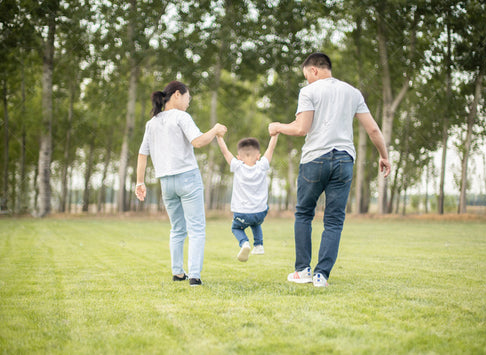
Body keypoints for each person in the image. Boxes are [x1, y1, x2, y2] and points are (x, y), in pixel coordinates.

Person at [268, 52, 391, 287]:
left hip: (315, 158)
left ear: (314, 70)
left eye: (306, 76)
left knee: (304, 213)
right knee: (334, 220)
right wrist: (384, 156)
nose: (306, 81)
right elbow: (373, 130)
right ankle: (321, 275)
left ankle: (302, 271)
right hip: (344, 160)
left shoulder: (309, 92)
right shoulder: (353, 93)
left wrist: (278, 127)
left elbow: (302, 128)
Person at [135, 80, 227, 287]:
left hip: (166, 182)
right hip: (188, 178)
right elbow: (198, 142)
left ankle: (178, 273)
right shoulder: (181, 117)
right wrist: (215, 130)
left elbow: (142, 154)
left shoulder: (152, 123)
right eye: (188, 98)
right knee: (196, 228)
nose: (188, 102)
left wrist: (139, 182)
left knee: (177, 229)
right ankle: (194, 275)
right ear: (177, 94)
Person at [216, 134, 279, 262]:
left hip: (242, 212)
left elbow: (225, 152)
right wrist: (275, 134)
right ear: (258, 156)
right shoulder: (262, 166)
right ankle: (259, 244)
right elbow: (271, 148)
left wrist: (219, 136)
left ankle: (245, 243)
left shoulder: (237, 166)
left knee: (236, 228)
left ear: (239, 157)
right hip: (260, 212)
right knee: (255, 222)